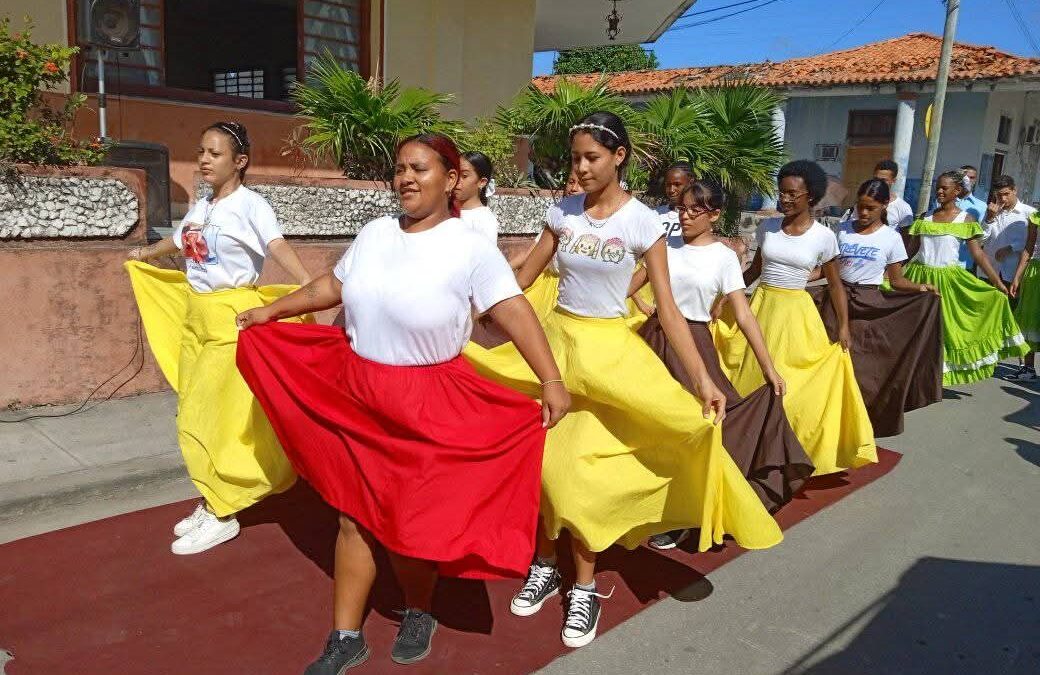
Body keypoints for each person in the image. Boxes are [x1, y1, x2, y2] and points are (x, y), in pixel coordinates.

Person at [234, 133, 570, 672]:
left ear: (451, 178)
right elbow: (330, 288)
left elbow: (513, 312)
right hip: (357, 391)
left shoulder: (470, 248)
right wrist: (272, 312)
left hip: (427, 402)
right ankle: (345, 636)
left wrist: (551, 380)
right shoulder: (375, 233)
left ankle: (419, 607)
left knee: (409, 520)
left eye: (419, 168)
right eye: (399, 170)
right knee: (354, 517)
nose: (406, 179)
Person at [465, 112, 783, 649]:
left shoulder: (644, 223)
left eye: (591, 157)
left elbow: (669, 310)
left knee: (580, 475)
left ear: (619, 157)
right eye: (575, 158)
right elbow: (523, 275)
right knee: (541, 464)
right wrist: (475, 310)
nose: (581, 168)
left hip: (611, 360)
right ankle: (546, 563)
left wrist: (703, 379)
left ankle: (584, 588)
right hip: (557, 348)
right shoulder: (562, 212)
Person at [125, 121, 311, 555]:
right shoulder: (204, 204)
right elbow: (180, 240)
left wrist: (308, 287)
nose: (204, 160)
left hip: (231, 319)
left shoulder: (251, 205)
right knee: (194, 407)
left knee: (207, 417)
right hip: (196, 315)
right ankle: (213, 496)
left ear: (239, 161)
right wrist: (143, 254)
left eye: (214, 153)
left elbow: (277, 245)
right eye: (202, 151)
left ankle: (222, 511)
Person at [629, 180, 813, 551]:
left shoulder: (724, 257)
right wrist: (637, 306)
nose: (684, 215)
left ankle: (685, 513)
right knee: (645, 425)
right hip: (652, 341)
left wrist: (769, 369)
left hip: (694, 345)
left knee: (700, 426)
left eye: (694, 210)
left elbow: (743, 314)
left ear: (714, 215)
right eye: (681, 208)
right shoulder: (663, 247)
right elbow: (627, 285)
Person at [713, 160, 877, 476]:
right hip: (762, 308)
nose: (784, 199)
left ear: (811, 197)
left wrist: (844, 326)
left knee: (793, 386)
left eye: (792, 194)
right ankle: (748, 445)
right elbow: (756, 270)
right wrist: (725, 298)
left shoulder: (824, 237)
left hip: (796, 318)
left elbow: (835, 284)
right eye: (781, 192)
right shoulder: (767, 228)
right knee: (750, 378)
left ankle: (787, 450)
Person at [809, 179, 943, 437]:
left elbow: (896, 281)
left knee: (862, 371)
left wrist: (921, 289)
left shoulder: (891, 238)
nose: (864, 213)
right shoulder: (842, 230)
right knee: (828, 363)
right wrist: (797, 276)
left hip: (869, 306)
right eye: (860, 206)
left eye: (870, 208)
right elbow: (825, 271)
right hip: (835, 302)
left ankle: (857, 425)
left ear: (884, 205)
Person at [902, 170, 1029, 384]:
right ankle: (916, 371)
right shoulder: (925, 217)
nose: (940, 191)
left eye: (945, 187)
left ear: (957, 191)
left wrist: (997, 282)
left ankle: (937, 375)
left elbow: (978, 253)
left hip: (949, 281)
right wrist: (890, 272)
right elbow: (910, 251)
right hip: (920, 277)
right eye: (938, 187)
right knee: (917, 326)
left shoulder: (965, 219)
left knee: (948, 327)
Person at [979, 175, 1033, 288]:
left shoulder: (1029, 213)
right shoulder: (991, 211)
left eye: (1006, 194)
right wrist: (989, 219)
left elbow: (1033, 243)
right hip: (989, 272)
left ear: (1014, 190)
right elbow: (980, 240)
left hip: (1012, 275)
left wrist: (1011, 248)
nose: (1003, 199)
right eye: (999, 195)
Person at [1009, 211, 1040, 380]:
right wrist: (1017, 276)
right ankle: (1028, 368)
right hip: (1035, 272)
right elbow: (1029, 247)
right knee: (1030, 318)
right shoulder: (1036, 217)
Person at [455, 151, 499, 243]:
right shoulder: (445, 212)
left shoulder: (484, 220)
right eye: (455, 174)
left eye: (464, 176)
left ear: (482, 182)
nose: (456, 180)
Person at [655, 162, 695, 247]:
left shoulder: (697, 216)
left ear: (691, 183)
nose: (671, 190)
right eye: (668, 185)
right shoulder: (655, 214)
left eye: (677, 184)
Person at [872, 159, 915, 230]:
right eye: (876, 179)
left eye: (883, 180)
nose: (878, 183)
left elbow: (906, 237)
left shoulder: (903, 207)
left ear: (893, 181)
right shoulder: (864, 202)